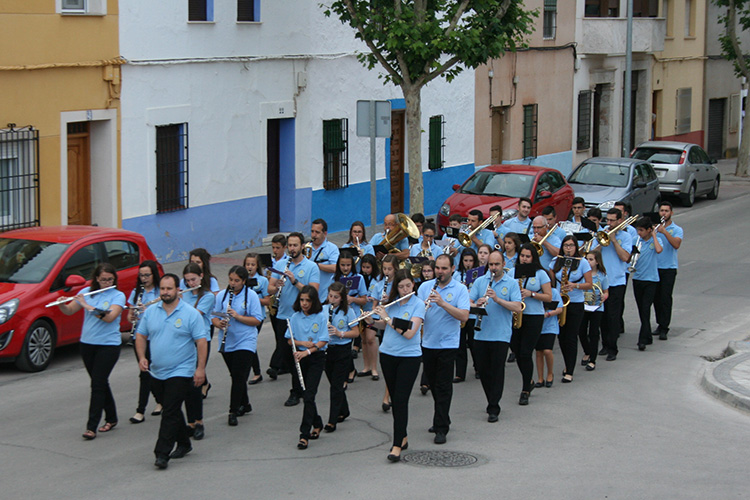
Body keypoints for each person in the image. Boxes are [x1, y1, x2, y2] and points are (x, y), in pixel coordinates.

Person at [135, 274, 207, 470]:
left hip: (181, 370)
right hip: (157, 371)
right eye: (163, 289)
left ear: (177, 290)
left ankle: (162, 453)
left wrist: (200, 369)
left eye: (169, 289)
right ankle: (184, 442)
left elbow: (201, 342)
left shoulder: (190, 314)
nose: (166, 292)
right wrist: (142, 357)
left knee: (170, 411)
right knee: (171, 409)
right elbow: (141, 335)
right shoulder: (151, 312)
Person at [58, 263, 126, 440]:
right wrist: (61, 305)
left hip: (108, 345)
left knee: (97, 384)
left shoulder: (118, 295)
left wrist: (88, 306)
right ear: (97, 279)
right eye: (103, 279)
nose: (106, 282)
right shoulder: (88, 291)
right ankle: (112, 418)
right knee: (100, 382)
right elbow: (70, 310)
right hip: (87, 344)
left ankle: (91, 427)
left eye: (110, 279)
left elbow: (110, 317)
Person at [366, 270, 424, 461]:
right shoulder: (392, 304)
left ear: (413, 285)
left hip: (409, 357)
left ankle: (397, 444)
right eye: (401, 286)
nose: (405, 289)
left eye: (408, 285)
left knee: (400, 400)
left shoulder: (418, 305)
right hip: (388, 355)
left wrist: (388, 318)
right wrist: (371, 321)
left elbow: (409, 332)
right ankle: (403, 436)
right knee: (396, 399)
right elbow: (384, 326)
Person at [417, 254, 470, 445]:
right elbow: (417, 313)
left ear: (453, 269)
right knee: (433, 384)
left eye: (444, 268)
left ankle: (441, 428)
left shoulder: (460, 289)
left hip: (448, 344)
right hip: (428, 343)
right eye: (438, 268)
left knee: (443, 386)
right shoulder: (425, 287)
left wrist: (442, 303)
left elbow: (464, 316)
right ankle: (442, 418)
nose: (440, 272)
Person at [267, 232, 320, 406]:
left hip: (302, 317)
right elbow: (270, 289)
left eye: (295, 245)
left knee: (300, 355)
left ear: (302, 247)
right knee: (287, 355)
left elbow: (313, 292)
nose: (292, 249)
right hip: (283, 315)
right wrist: (276, 286)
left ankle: (296, 391)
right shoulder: (281, 264)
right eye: (289, 245)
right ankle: (299, 386)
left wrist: (294, 281)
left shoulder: (311, 266)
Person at [469, 251, 522, 422]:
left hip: (501, 335)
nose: (493, 268)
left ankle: (494, 406)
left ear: (503, 264)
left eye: (497, 264)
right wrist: (476, 303)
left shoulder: (511, 283)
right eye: (491, 265)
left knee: (497, 371)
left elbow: (517, 307)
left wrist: (497, 299)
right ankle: (490, 399)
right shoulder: (480, 281)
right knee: (484, 372)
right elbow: (468, 302)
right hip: (481, 333)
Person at [211, 265, 263, 426]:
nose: (233, 283)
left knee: (239, 377)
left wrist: (237, 316)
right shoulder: (222, 295)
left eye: (237, 281)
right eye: (231, 280)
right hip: (228, 341)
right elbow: (213, 315)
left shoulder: (251, 295)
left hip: (246, 340)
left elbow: (257, 320)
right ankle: (245, 404)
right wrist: (219, 324)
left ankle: (233, 411)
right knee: (236, 375)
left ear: (243, 281)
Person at [285, 286, 329, 450]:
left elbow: (323, 340)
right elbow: (290, 340)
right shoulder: (294, 317)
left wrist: (308, 351)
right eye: (302, 300)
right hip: (300, 358)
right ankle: (317, 423)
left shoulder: (320, 317)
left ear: (314, 301)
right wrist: (302, 344)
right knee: (306, 395)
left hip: (315, 358)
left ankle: (304, 435)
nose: (304, 304)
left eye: (308, 301)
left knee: (309, 395)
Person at [512, 243, 552, 406]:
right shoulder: (514, 272)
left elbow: (548, 297)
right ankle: (528, 380)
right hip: (517, 315)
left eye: (528, 256)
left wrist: (532, 294)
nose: (524, 259)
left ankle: (525, 389)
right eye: (522, 256)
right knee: (516, 349)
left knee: (525, 353)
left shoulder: (541, 273)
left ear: (533, 258)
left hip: (534, 316)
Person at [550, 236, 592, 383]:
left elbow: (589, 284)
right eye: (566, 245)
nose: (568, 248)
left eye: (571, 246)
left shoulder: (583, 263)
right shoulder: (556, 261)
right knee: (561, 336)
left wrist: (575, 286)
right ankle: (568, 363)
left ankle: (570, 370)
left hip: (575, 302)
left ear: (576, 247)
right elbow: (551, 281)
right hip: (560, 302)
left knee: (571, 336)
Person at [181, 263, 215, 441]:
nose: (191, 283)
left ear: (201, 276)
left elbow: (193, 315)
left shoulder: (208, 296)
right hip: (184, 342)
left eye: (193, 279)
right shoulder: (183, 295)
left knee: (195, 382)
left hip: (201, 341)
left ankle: (199, 422)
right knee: (186, 384)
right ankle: (190, 422)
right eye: (187, 280)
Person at [595, 208, 632, 361]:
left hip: (617, 281)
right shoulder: (601, 233)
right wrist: (601, 243)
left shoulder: (627, 236)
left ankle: (613, 348)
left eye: (612, 220)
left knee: (613, 316)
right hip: (602, 280)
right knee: (602, 316)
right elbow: (592, 254)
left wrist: (614, 240)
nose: (608, 223)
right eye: (607, 220)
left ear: (619, 221)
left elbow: (625, 258)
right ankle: (604, 344)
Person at [127, 260, 161, 424]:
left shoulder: (160, 293)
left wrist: (149, 312)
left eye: (147, 275)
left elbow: (164, 314)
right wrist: (132, 316)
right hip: (139, 337)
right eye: (141, 275)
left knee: (150, 372)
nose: (144, 278)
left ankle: (141, 410)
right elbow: (130, 315)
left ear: (154, 275)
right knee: (145, 371)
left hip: (156, 337)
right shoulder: (136, 292)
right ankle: (158, 401)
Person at [323, 282, 359, 433]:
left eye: (336, 297)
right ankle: (344, 410)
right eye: (330, 296)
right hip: (327, 350)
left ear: (342, 298)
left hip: (342, 350)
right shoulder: (323, 309)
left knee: (336, 386)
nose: (332, 299)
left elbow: (356, 332)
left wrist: (340, 333)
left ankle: (332, 420)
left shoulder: (348, 312)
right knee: (333, 382)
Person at [362, 254, 398, 381]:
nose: (386, 272)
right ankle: (370, 367)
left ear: (395, 269)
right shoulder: (379, 284)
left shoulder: (398, 284)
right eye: (384, 269)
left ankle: (377, 369)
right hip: (379, 316)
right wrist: (373, 312)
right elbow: (374, 303)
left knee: (386, 344)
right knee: (369, 339)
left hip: (392, 317)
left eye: (389, 269)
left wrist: (390, 299)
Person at [631, 217, 663, 351]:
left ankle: (642, 340)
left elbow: (659, 250)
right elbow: (630, 256)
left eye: (642, 230)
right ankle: (647, 335)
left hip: (651, 280)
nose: (639, 233)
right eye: (638, 230)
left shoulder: (655, 240)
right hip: (638, 278)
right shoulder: (636, 241)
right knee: (641, 310)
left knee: (645, 308)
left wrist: (654, 235)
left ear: (649, 230)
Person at [654, 201, 683, 341]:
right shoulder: (655, 228)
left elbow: (676, 244)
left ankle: (665, 327)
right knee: (656, 299)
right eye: (661, 211)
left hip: (669, 268)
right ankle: (659, 323)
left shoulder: (677, 229)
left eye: (666, 211)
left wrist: (664, 231)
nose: (663, 213)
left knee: (665, 298)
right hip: (655, 268)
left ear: (671, 213)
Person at [244, 253, 272, 385]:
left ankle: (256, 372)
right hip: (243, 316)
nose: (250, 267)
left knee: (249, 343)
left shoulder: (262, 280)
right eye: (247, 264)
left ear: (257, 266)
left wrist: (253, 298)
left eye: (252, 264)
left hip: (257, 316)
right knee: (246, 344)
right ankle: (255, 372)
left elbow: (267, 301)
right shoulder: (241, 279)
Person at [579, 249, 608, 371]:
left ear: (597, 262)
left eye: (591, 259)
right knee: (581, 331)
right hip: (584, 306)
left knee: (594, 333)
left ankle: (592, 360)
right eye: (587, 259)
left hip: (597, 307)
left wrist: (604, 296)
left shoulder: (602, 276)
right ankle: (587, 351)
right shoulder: (583, 275)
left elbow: (606, 291)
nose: (588, 261)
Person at [453, 248, 479, 383]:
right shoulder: (457, 275)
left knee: (474, 343)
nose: (468, 263)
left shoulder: (478, 275)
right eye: (465, 261)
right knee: (460, 344)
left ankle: (478, 368)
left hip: (473, 314)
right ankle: (459, 373)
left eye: (470, 261)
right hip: (460, 313)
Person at [535, 287, 563, 388]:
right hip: (537, 326)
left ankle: (550, 374)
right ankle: (540, 378)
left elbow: (560, 309)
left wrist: (547, 314)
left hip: (550, 326)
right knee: (538, 352)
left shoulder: (553, 292)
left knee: (547, 350)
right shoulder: (534, 293)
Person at [309, 219, 340, 302]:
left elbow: (336, 268)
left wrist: (317, 266)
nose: (314, 235)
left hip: (324, 295)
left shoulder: (332, 248)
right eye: (312, 231)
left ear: (325, 233)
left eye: (317, 232)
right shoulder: (306, 247)